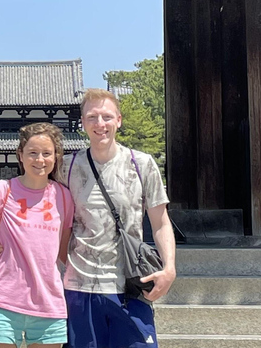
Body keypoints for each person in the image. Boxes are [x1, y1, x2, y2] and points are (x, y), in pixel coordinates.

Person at [58, 88, 176, 348]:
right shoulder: (66, 167)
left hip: (130, 283)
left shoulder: (141, 164)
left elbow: (160, 222)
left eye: (107, 117)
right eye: (92, 117)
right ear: (82, 123)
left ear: (119, 120)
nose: (100, 124)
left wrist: (169, 268)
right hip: (80, 285)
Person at [0, 122, 74, 348]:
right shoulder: (0, 191)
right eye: (32, 153)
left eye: (47, 153)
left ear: (56, 156)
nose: (39, 160)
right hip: (2, 299)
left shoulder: (63, 197)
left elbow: (64, 254)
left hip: (49, 302)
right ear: (20, 155)